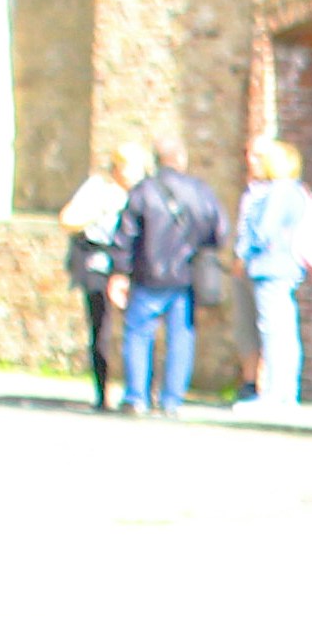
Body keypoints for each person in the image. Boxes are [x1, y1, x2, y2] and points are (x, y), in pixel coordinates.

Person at [114, 141, 225, 418]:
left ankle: (136, 396)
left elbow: (125, 235)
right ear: (182, 160)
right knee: (181, 337)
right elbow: (219, 231)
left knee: (139, 335)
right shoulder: (200, 191)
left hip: (147, 275)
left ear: (157, 161)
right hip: (186, 276)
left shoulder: (143, 191)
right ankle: (171, 400)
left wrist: (119, 272)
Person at [234, 143, 312, 409]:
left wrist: (245, 250)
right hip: (284, 267)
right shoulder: (295, 190)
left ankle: (274, 393)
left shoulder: (279, 192)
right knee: (283, 330)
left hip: (271, 267)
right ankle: (284, 392)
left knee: (273, 331)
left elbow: (264, 230)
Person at [57, 144, 135, 410]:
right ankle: (103, 392)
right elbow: (68, 219)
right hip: (98, 262)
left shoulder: (142, 192)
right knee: (101, 327)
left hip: (131, 263)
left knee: (135, 329)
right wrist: (98, 210)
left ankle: (137, 391)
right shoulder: (99, 188)